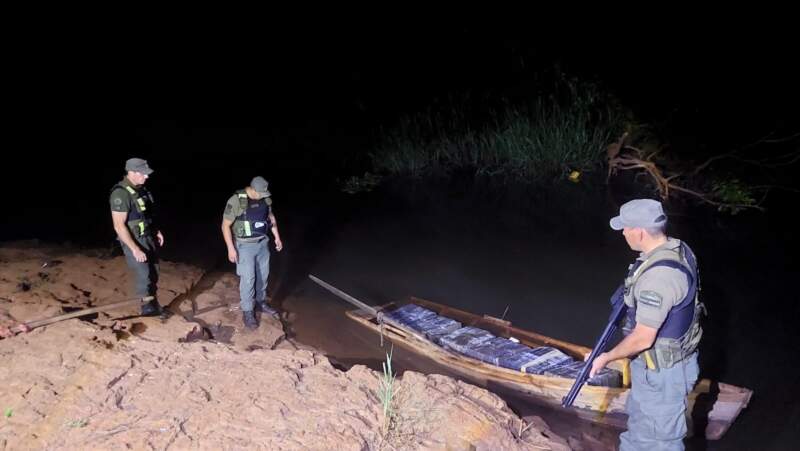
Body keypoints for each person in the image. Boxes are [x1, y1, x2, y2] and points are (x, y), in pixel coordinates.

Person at [590, 199, 704, 450]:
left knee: (659, 440)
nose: (622, 233)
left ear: (639, 231)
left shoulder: (659, 278)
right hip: (656, 367)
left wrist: (606, 357)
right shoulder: (677, 248)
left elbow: (643, 338)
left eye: (625, 228)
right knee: (640, 430)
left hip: (664, 374)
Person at [221, 176, 283, 329]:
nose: (264, 196)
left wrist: (277, 237)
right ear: (253, 190)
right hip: (244, 246)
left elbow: (271, 217)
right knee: (248, 279)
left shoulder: (265, 199)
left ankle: (261, 302)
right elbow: (225, 226)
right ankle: (248, 311)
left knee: (263, 275)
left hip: (263, 243)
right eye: (261, 193)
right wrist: (230, 248)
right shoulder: (236, 201)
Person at [110, 158, 164, 316]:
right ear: (131, 173)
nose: (146, 177)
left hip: (147, 236)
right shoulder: (120, 193)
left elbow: (145, 214)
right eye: (143, 174)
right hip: (134, 239)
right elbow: (119, 225)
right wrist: (134, 249)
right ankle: (146, 307)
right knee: (143, 273)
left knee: (154, 271)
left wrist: (156, 230)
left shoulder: (141, 190)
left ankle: (153, 302)